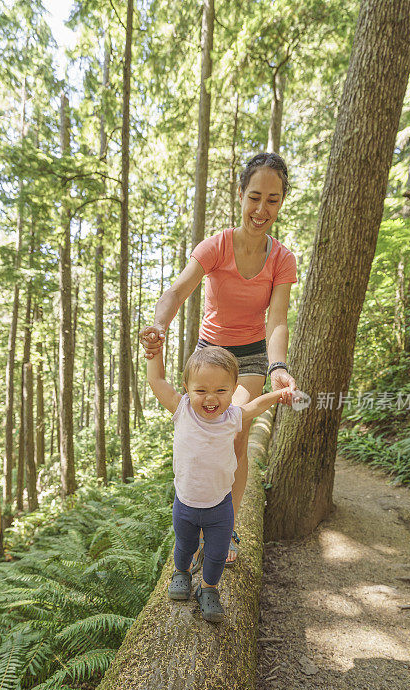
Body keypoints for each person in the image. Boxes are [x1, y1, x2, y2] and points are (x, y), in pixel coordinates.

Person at [140, 152, 298, 570]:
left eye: (273, 200)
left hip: (250, 357)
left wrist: (278, 366)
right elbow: (176, 292)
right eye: (255, 197)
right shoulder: (217, 246)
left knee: (235, 428)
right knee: (198, 427)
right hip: (210, 352)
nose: (262, 210)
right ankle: (193, 512)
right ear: (241, 194)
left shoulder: (282, 259)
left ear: (282, 202)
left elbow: (277, 321)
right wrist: (159, 325)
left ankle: (225, 527)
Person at [147, 344, 293, 623]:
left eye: (221, 391)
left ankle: (208, 589)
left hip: (220, 506)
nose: (210, 398)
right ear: (187, 388)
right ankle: (181, 573)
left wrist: (278, 395)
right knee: (185, 545)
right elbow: (156, 380)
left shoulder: (232, 416)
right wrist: (154, 351)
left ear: (234, 388)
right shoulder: (181, 410)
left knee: (216, 553)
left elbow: (256, 405)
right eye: (201, 390)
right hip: (186, 504)